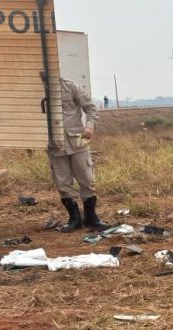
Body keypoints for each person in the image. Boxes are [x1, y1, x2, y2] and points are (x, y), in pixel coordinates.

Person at [49, 78, 109, 232]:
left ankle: (91, 218)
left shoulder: (69, 85)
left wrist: (90, 127)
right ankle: (74, 219)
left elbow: (90, 107)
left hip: (77, 140)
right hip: (54, 142)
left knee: (87, 179)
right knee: (63, 182)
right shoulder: (35, 89)